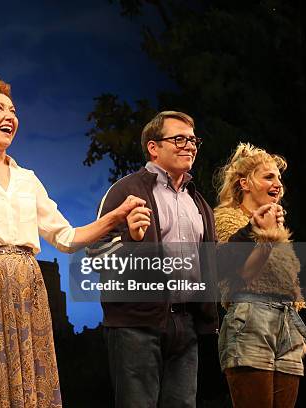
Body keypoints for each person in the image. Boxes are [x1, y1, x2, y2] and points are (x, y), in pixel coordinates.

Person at [0, 76, 144, 407]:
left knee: (32, 386)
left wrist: (116, 216)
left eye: (13, 110)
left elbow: (66, 238)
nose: (10, 115)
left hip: (28, 290)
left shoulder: (28, 180)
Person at [88, 111, 219, 407]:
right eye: (179, 139)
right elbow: (95, 254)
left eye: (193, 140)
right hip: (136, 325)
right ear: (153, 147)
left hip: (186, 326)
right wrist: (132, 243)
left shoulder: (197, 201)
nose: (189, 146)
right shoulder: (125, 191)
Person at [214, 143, 306, 407]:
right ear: (244, 183)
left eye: (279, 177)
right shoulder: (227, 219)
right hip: (250, 317)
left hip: (286, 323)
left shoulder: (276, 224)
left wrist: (295, 329)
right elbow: (245, 275)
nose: (278, 183)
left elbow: (288, 281)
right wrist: (267, 236)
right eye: (269, 176)